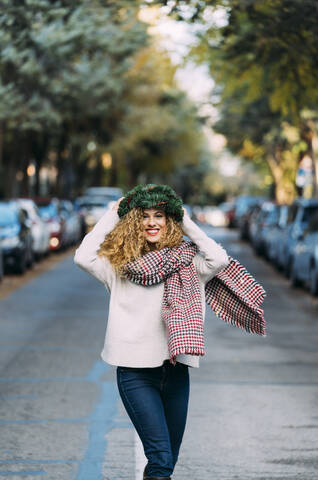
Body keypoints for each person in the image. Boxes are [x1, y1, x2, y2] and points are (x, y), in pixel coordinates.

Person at [74, 184, 230, 480]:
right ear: (134, 222)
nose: (152, 222)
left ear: (169, 221)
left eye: (160, 215)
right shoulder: (119, 266)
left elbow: (219, 259)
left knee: (167, 459)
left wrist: (184, 219)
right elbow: (83, 257)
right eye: (144, 216)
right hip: (135, 374)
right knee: (160, 458)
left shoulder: (188, 264)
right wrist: (112, 214)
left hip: (175, 372)